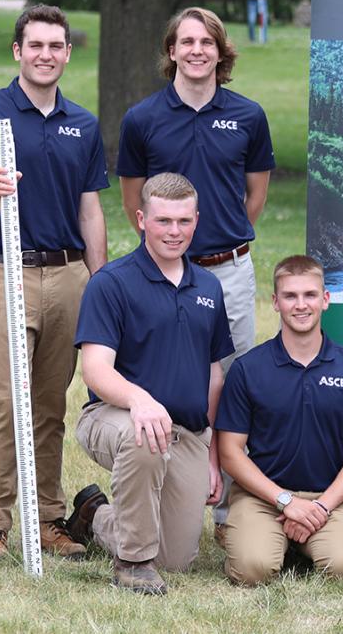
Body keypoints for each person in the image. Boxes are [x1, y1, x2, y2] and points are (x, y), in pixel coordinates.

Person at [0, 4, 108, 560]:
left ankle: (48, 520)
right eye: (36, 45)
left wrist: (99, 280)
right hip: (5, 270)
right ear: (18, 51)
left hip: (68, 275)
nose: (46, 54)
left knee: (49, 405)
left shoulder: (83, 124)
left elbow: (90, 211)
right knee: (6, 401)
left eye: (56, 46)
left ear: (67, 53)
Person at [116, 6, 275, 534]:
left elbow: (254, 195)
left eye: (207, 42)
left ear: (220, 51)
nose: (197, 51)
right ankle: (166, 493)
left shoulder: (248, 116)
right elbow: (133, 200)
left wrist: (215, 243)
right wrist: (173, 250)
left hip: (228, 270)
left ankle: (229, 507)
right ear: (171, 51)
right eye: (186, 42)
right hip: (161, 273)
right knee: (168, 377)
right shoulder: (142, 119)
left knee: (231, 384)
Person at [66, 173, 234, 595]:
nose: (173, 232)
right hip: (116, 418)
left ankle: (95, 515)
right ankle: (131, 564)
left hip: (188, 433)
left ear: (196, 220)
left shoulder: (209, 288)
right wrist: (140, 400)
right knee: (146, 439)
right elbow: (96, 370)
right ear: (141, 219)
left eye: (183, 221)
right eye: (162, 221)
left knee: (175, 559)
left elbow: (213, 376)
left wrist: (212, 456)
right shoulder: (112, 283)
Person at [215, 255, 343, 584]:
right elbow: (230, 452)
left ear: (325, 299)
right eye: (290, 296)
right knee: (252, 571)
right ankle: (262, 538)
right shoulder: (248, 369)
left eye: (310, 295)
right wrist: (285, 501)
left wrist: (319, 508)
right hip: (263, 497)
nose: (300, 305)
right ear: (275, 302)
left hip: (329, 499)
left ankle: (298, 541)